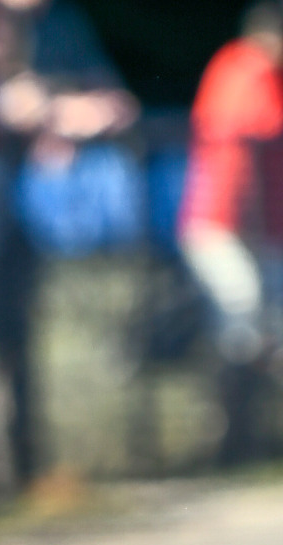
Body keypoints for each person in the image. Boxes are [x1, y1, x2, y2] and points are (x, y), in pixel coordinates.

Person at [180, 0, 283, 464]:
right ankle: (229, 440)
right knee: (242, 321)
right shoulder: (245, 67)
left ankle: (245, 438)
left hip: (260, 230)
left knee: (261, 325)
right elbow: (249, 140)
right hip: (222, 224)